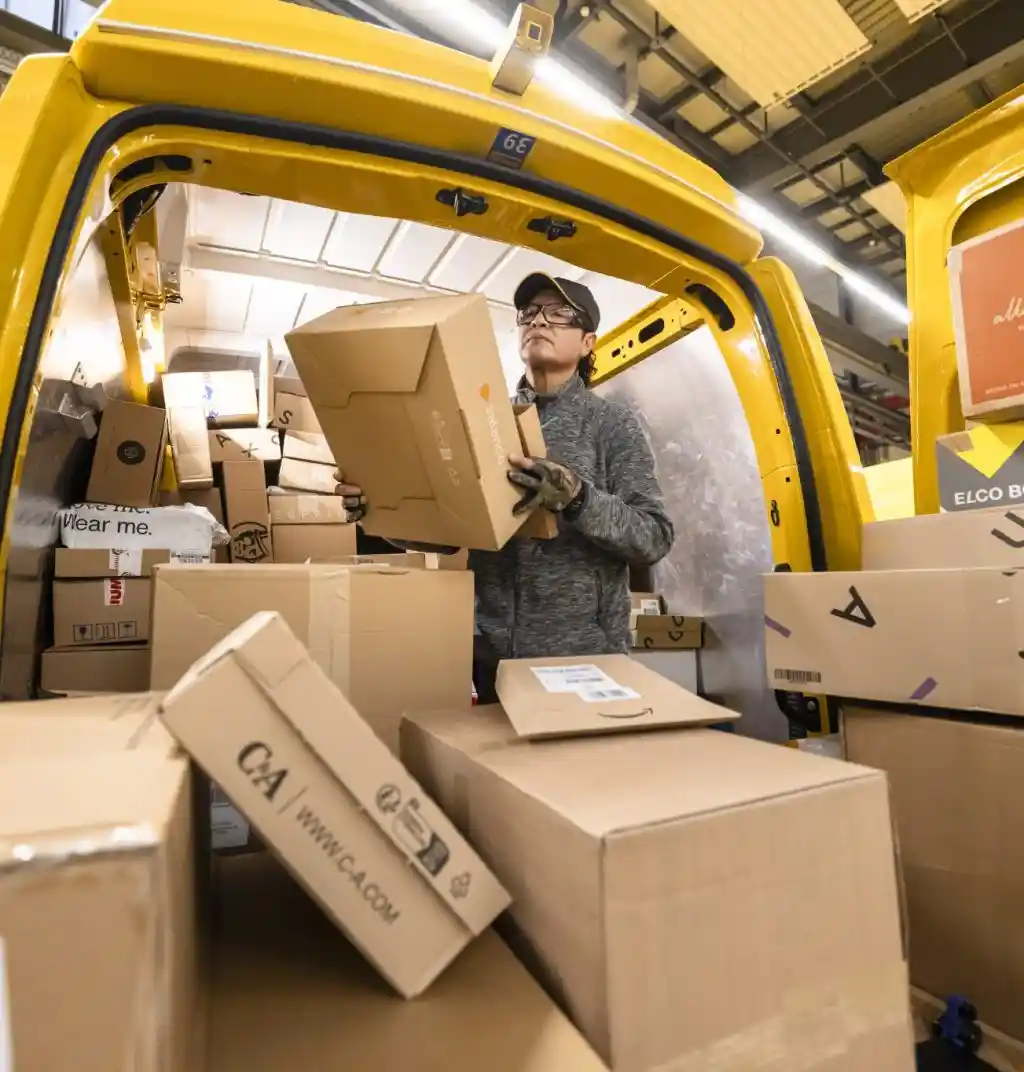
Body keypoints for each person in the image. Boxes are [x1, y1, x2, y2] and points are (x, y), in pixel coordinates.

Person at [336, 273, 675, 704]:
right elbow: (447, 532)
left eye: (559, 313)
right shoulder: (486, 419)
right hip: (491, 656)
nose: (539, 321)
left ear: (588, 342)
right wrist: (381, 511)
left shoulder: (611, 424)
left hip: (582, 656)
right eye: (529, 313)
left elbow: (654, 537)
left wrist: (578, 499)